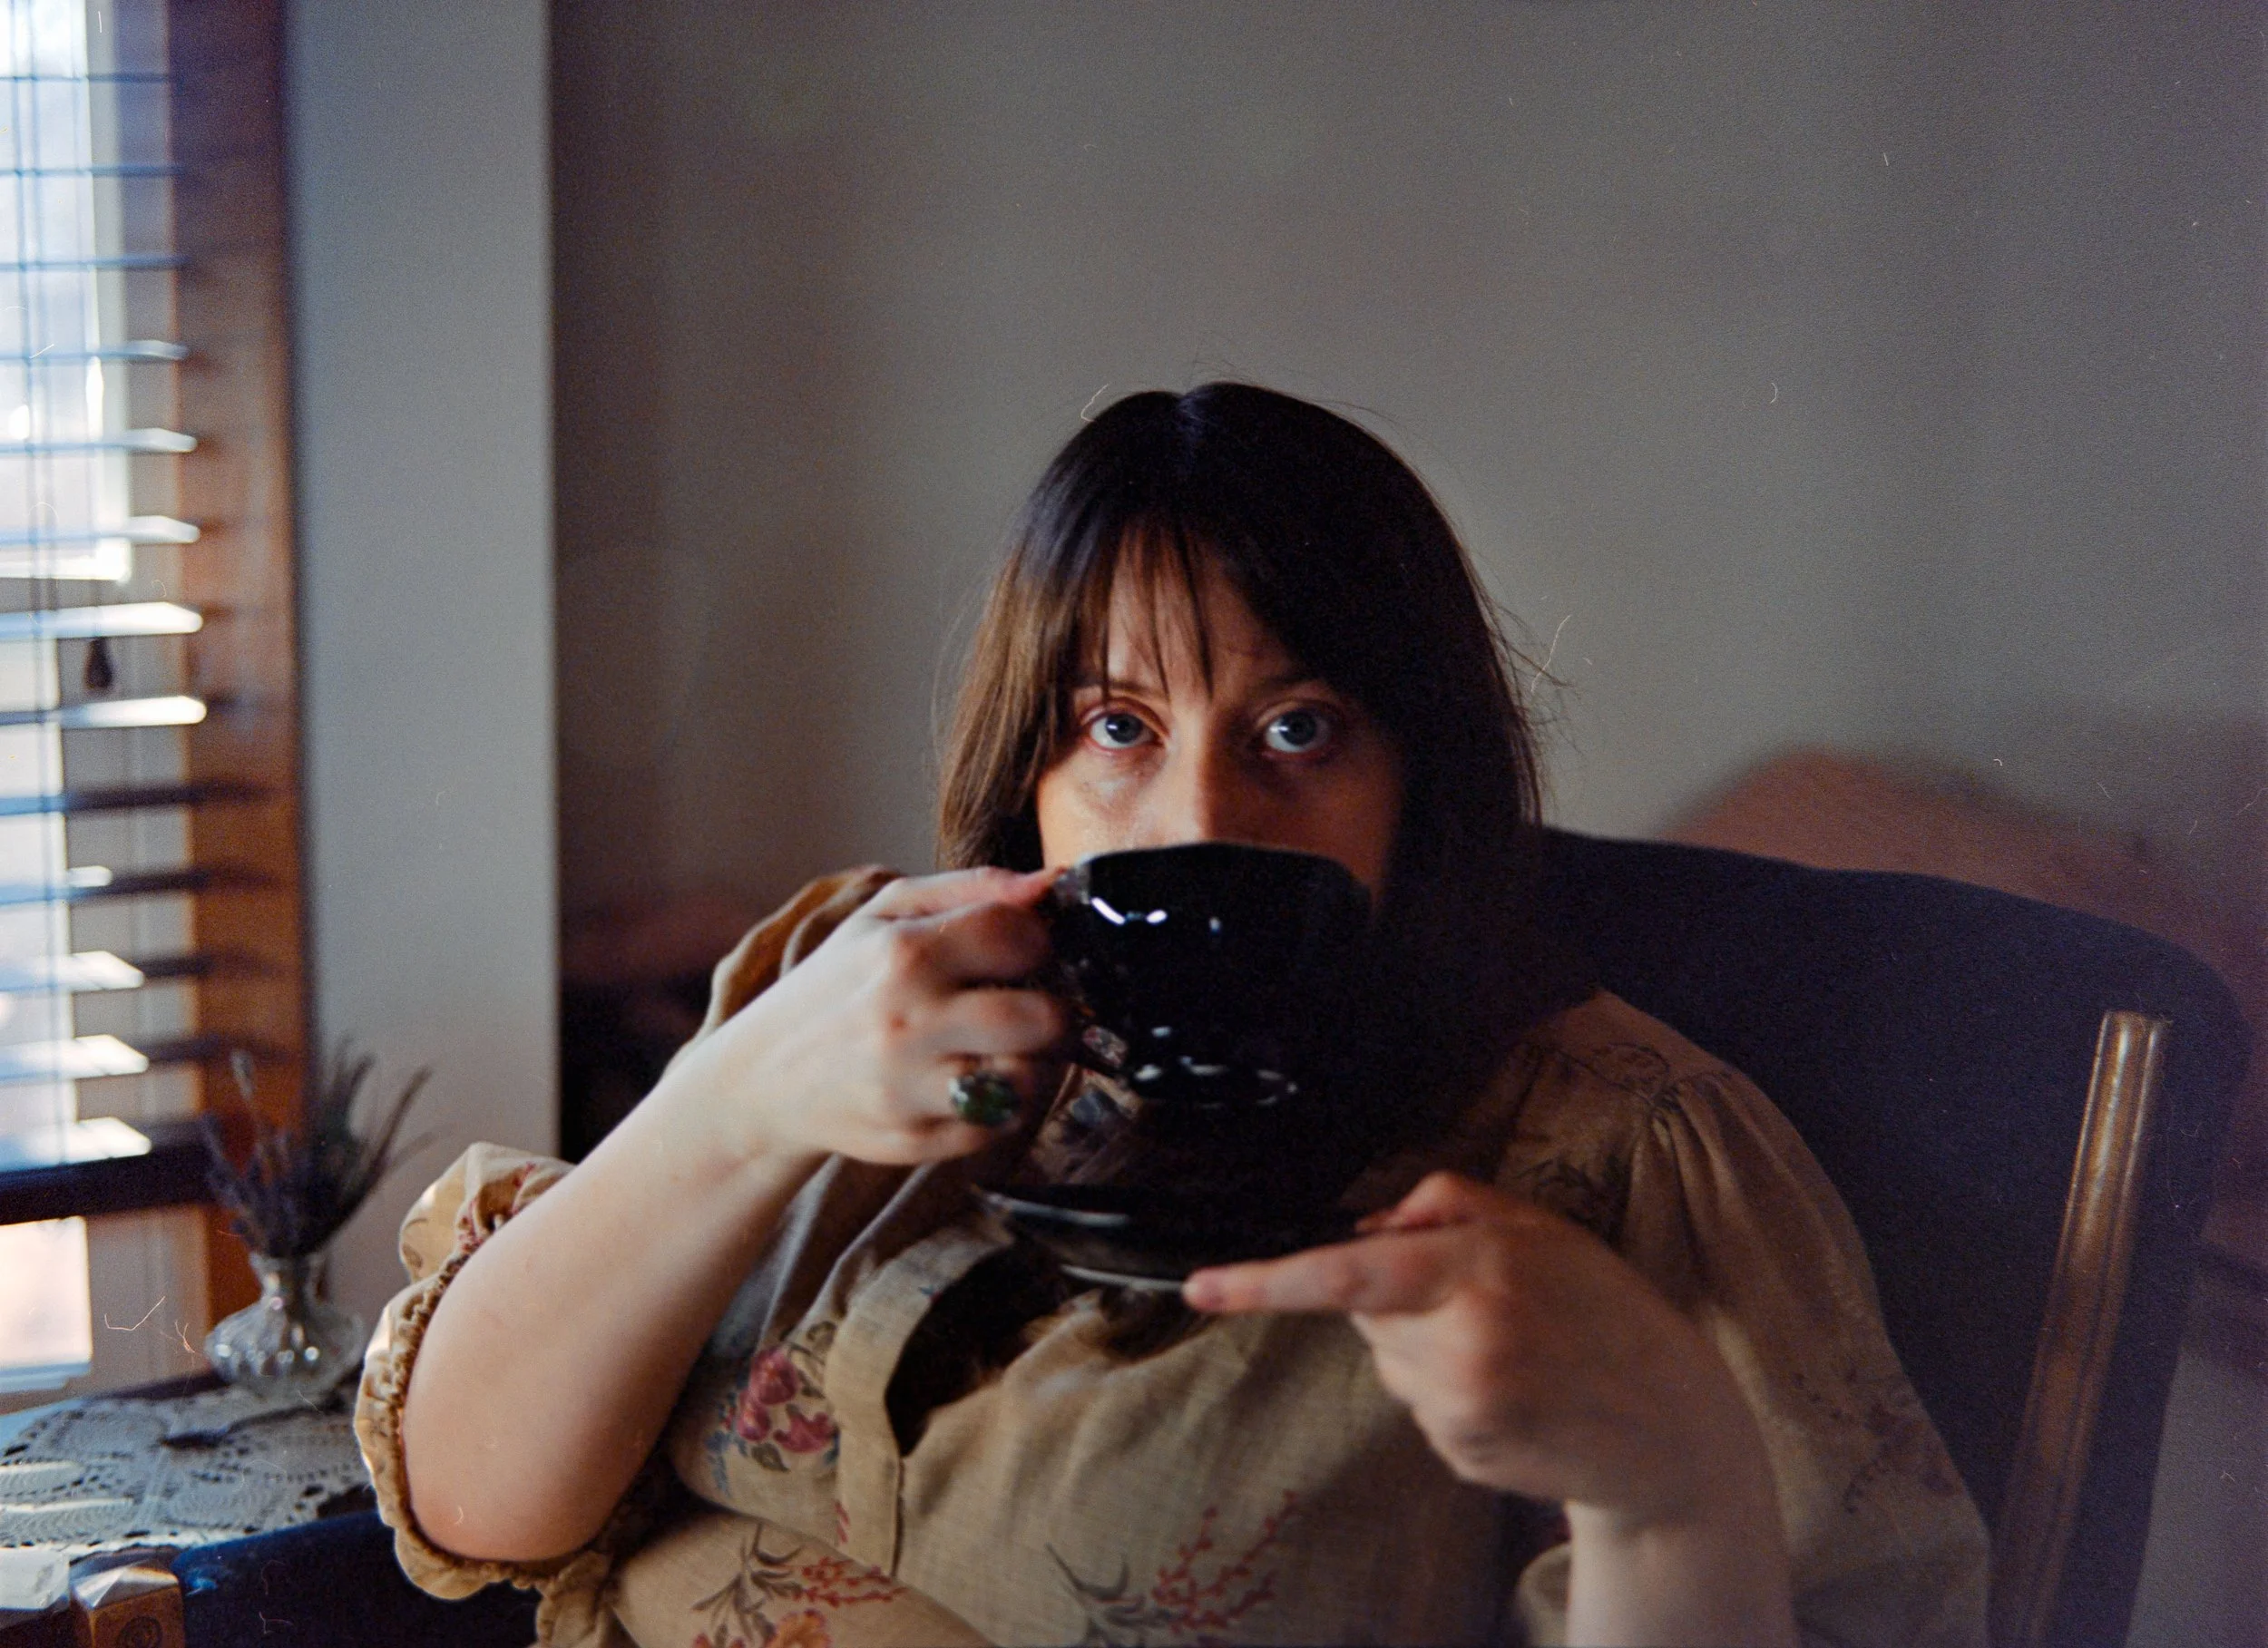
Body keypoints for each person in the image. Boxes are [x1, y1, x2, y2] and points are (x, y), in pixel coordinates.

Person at [357, 384, 1989, 1647]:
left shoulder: (1630, 1155)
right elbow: (474, 1501)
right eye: (1120, 727)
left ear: (1419, 780)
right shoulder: (854, 995)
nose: (1203, 818)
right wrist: (729, 1108)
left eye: (1297, 729)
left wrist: (1672, 1488)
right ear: (1030, 769)